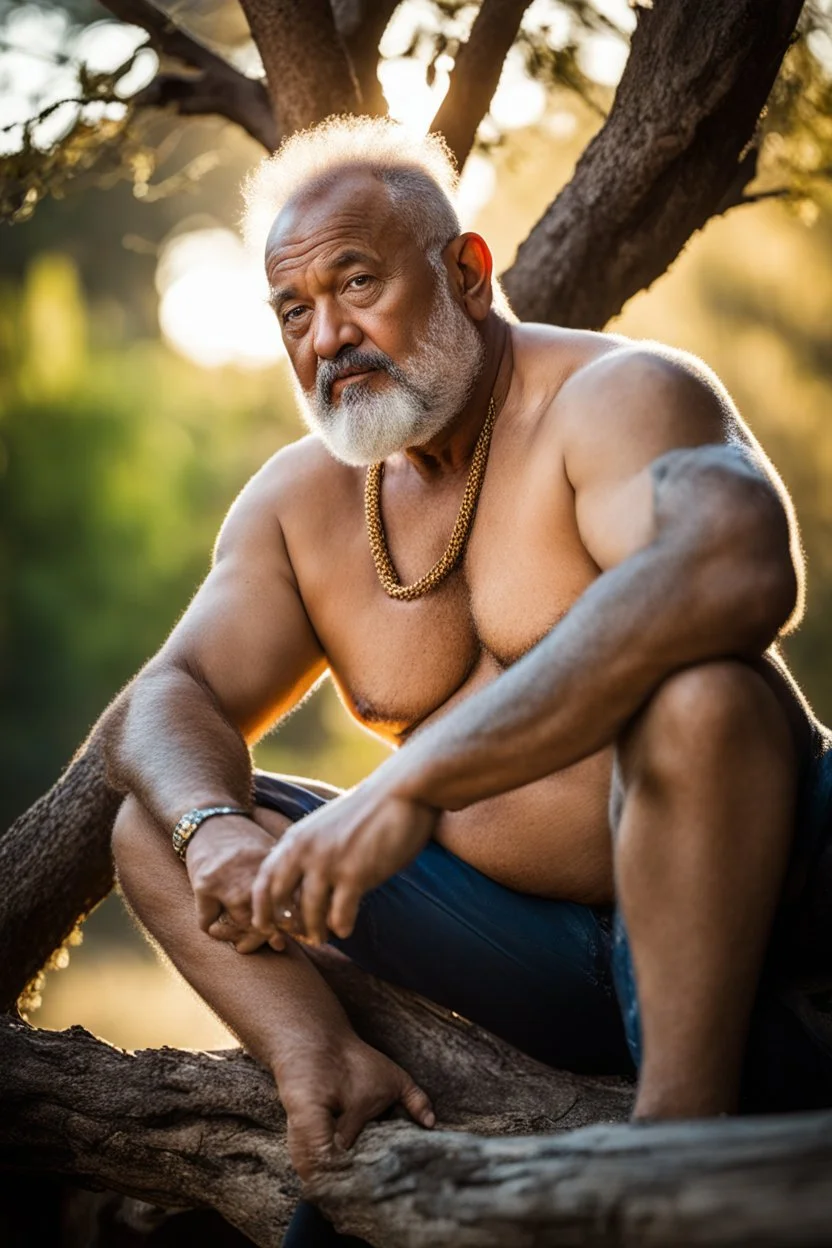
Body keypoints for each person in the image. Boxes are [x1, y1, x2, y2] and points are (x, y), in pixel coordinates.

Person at [105, 117, 832, 1246]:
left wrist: (413, 787)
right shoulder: (302, 503)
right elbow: (167, 696)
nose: (329, 337)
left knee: (702, 696)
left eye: (357, 284)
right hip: (520, 957)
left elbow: (736, 562)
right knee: (153, 824)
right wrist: (212, 829)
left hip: (765, 916)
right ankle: (327, 1071)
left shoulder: (611, 396)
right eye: (294, 311)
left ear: (466, 273)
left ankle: (677, 1151)